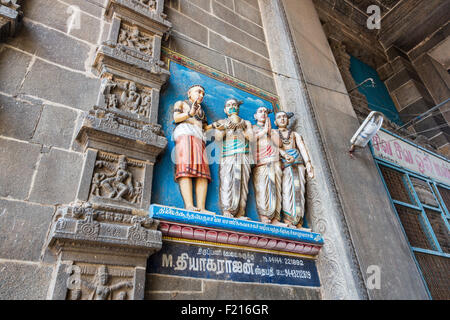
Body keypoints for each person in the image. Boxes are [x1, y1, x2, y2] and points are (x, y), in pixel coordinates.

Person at [212, 99, 254, 218]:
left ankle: (241, 212)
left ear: (238, 108)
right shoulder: (222, 122)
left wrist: (242, 128)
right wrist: (225, 127)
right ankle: (227, 210)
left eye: (234, 105)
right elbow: (218, 138)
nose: (232, 107)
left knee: (243, 184)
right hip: (228, 155)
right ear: (225, 110)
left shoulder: (246, 123)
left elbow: (251, 138)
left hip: (244, 155)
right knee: (227, 181)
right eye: (229, 105)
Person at [173, 85, 211, 212]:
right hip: (185, 136)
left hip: (199, 138)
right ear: (189, 93)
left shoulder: (201, 111)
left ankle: (201, 207)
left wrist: (216, 125)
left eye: (203, 94)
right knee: (186, 168)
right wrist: (189, 113)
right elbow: (176, 118)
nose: (201, 95)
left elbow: (204, 127)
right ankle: (189, 205)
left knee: (203, 173)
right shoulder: (181, 104)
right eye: (198, 92)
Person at [273, 111, 314, 228]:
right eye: (279, 117)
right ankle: (289, 220)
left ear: (288, 120)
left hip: (299, 165)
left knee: (299, 192)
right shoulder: (274, 133)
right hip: (285, 166)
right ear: (275, 122)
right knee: (287, 191)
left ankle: (299, 221)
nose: (282, 119)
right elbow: (275, 148)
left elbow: (302, 147)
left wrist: (308, 163)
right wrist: (285, 156)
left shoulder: (295, 135)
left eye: (284, 117)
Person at [252, 107, 287, 226]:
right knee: (262, 189)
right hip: (261, 163)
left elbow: (279, 144)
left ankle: (276, 219)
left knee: (276, 189)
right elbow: (250, 140)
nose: (263, 113)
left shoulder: (273, 131)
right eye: (260, 111)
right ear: (255, 116)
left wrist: (270, 131)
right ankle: (264, 216)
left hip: (275, 162)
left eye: (265, 112)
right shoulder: (253, 128)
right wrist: (263, 131)